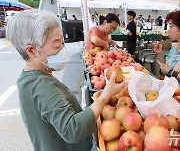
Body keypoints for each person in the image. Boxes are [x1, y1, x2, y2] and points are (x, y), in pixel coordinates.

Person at [6, 10, 125, 151]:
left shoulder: (30, 77)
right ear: (31, 51)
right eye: (57, 46)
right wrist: (105, 96)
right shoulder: (40, 84)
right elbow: (72, 129)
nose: (63, 49)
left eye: (63, 42)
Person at [154, 10, 180, 83]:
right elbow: (165, 68)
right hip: (169, 91)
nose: (168, 31)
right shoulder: (174, 49)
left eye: (171, 26)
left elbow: (168, 71)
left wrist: (169, 72)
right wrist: (159, 54)